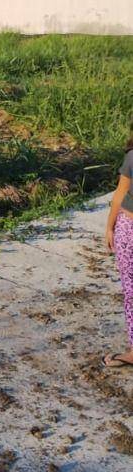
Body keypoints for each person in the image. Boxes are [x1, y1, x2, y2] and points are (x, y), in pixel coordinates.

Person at [105, 137, 133, 368]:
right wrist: (110, 226)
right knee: (131, 291)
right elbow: (120, 192)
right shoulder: (132, 157)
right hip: (128, 230)